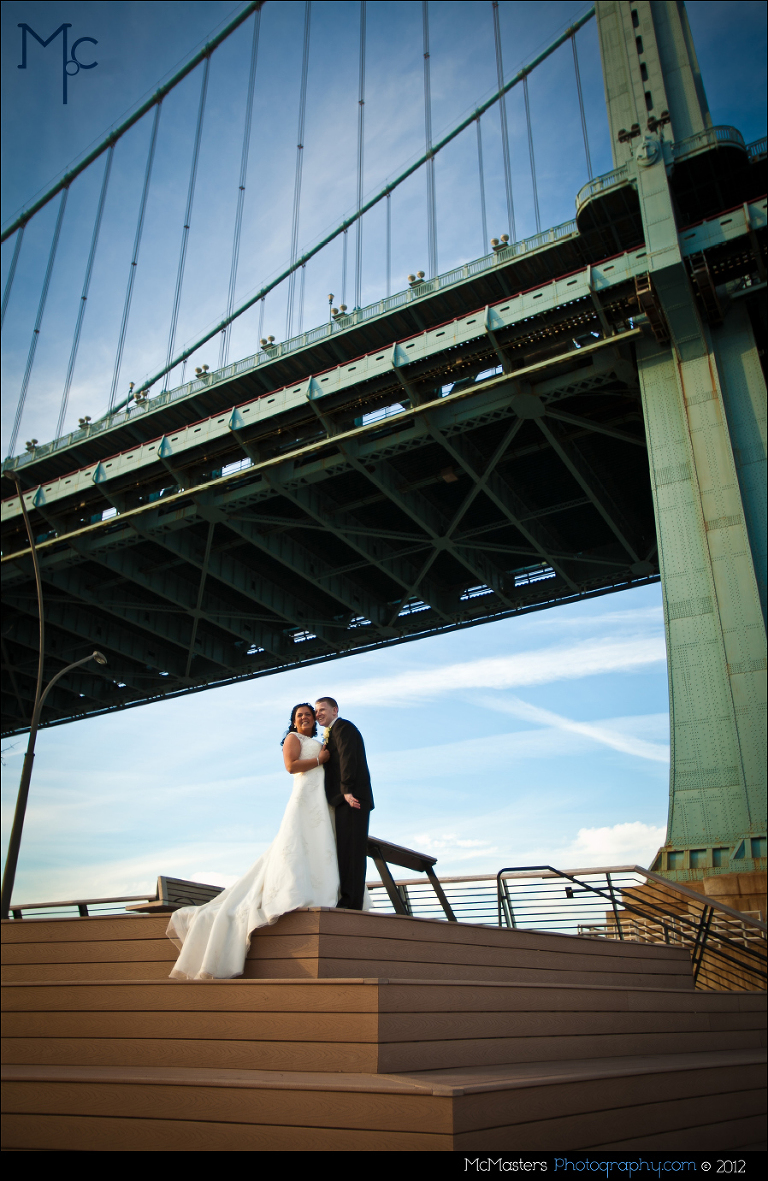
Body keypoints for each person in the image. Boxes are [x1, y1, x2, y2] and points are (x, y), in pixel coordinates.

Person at [166, 703, 338, 980]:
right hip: (303, 797)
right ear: (294, 722)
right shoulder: (293, 739)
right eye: (300, 715)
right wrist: (320, 760)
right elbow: (291, 766)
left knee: (319, 845)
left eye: (308, 714)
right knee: (296, 844)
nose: (305, 717)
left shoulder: (319, 742)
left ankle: (321, 888)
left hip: (320, 799)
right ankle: (292, 890)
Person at [315, 696, 374, 911]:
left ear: (335, 710)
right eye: (316, 711)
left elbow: (349, 758)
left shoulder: (343, 727)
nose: (318, 714)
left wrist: (347, 790)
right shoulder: (333, 732)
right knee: (347, 850)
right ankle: (349, 899)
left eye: (322, 709)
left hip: (352, 798)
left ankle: (351, 903)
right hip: (345, 799)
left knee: (352, 851)